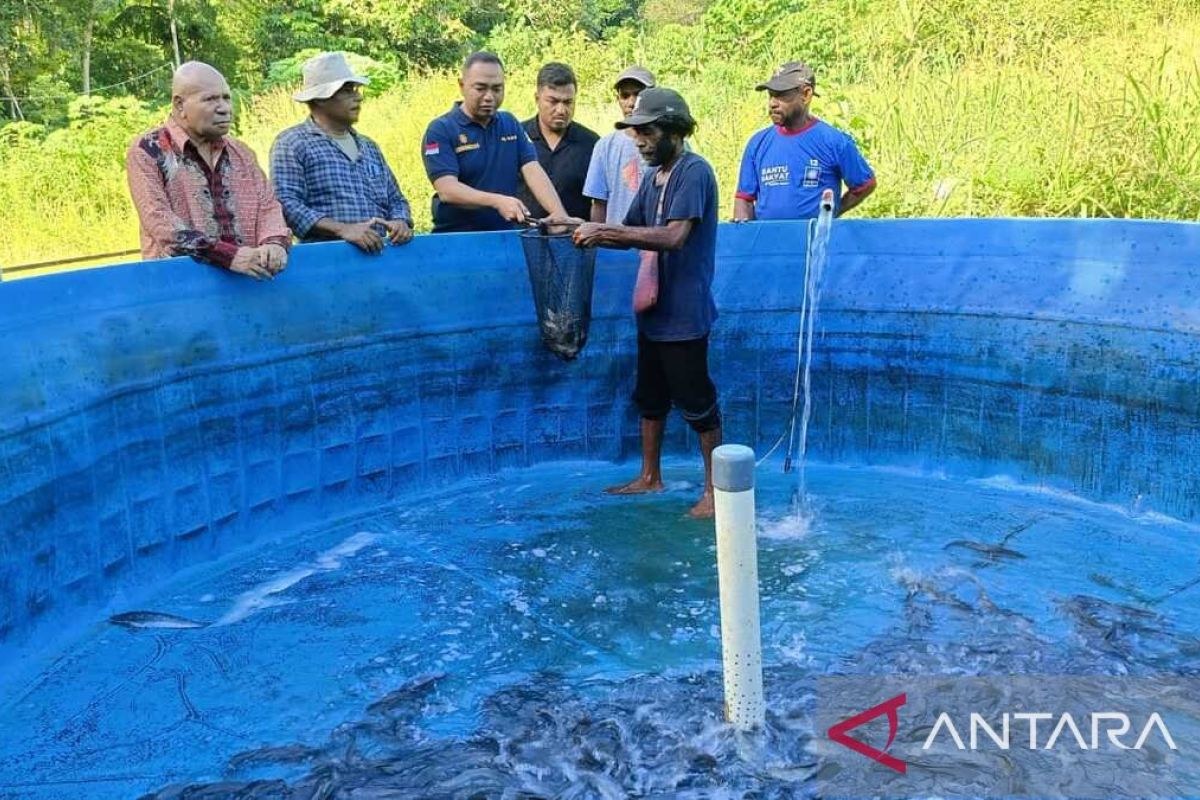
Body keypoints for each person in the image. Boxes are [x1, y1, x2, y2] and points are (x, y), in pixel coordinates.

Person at [573, 88, 722, 519]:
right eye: (634, 132)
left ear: (675, 131)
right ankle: (650, 476)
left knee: (698, 403)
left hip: (684, 314)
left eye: (646, 132)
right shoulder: (654, 176)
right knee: (651, 397)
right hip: (652, 311)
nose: (637, 140)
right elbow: (629, 229)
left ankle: (715, 492)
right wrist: (574, 225)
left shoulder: (693, 172)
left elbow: (674, 237)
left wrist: (604, 235)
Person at [126, 61, 289, 280]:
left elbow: (268, 206)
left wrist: (274, 243)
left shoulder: (241, 152)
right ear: (180, 105)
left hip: (248, 286)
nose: (224, 108)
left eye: (226, 98)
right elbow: (159, 221)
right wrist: (229, 256)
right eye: (211, 99)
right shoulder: (149, 149)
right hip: (179, 288)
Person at [270, 52, 413, 253]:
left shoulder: (369, 146)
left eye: (355, 89)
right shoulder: (292, 143)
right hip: (328, 261)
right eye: (346, 90)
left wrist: (400, 221)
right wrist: (344, 230)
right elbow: (286, 204)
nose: (358, 97)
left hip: (381, 260)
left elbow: (396, 198)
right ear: (320, 99)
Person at [422, 51, 571, 233]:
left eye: (497, 89)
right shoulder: (441, 129)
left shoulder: (509, 123)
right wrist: (497, 201)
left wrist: (559, 214)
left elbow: (533, 170)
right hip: (457, 238)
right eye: (480, 88)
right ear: (462, 85)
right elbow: (447, 190)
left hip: (505, 235)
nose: (489, 96)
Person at [733, 61, 876, 221]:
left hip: (813, 244)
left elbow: (864, 185)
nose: (773, 103)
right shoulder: (757, 143)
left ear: (806, 94)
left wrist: (832, 213)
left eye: (781, 95)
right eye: (771, 95)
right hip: (768, 243)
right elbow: (744, 199)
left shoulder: (834, 142)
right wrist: (744, 236)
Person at [516, 62, 599, 221]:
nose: (561, 110)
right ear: (537, 98)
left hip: (572, 238)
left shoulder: (592, 143)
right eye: (553, 101)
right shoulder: (516, 137)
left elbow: (600, 202)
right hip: (523, 237)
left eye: (568, 102)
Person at [583, 65, 656, 224]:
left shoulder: (671, 143)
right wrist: (600, 241)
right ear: (618, 99)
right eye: (625, 95)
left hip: (659, 242)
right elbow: (599, 203)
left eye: (638, 95)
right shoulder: (605, 146)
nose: (631, 102)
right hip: (617, 242)